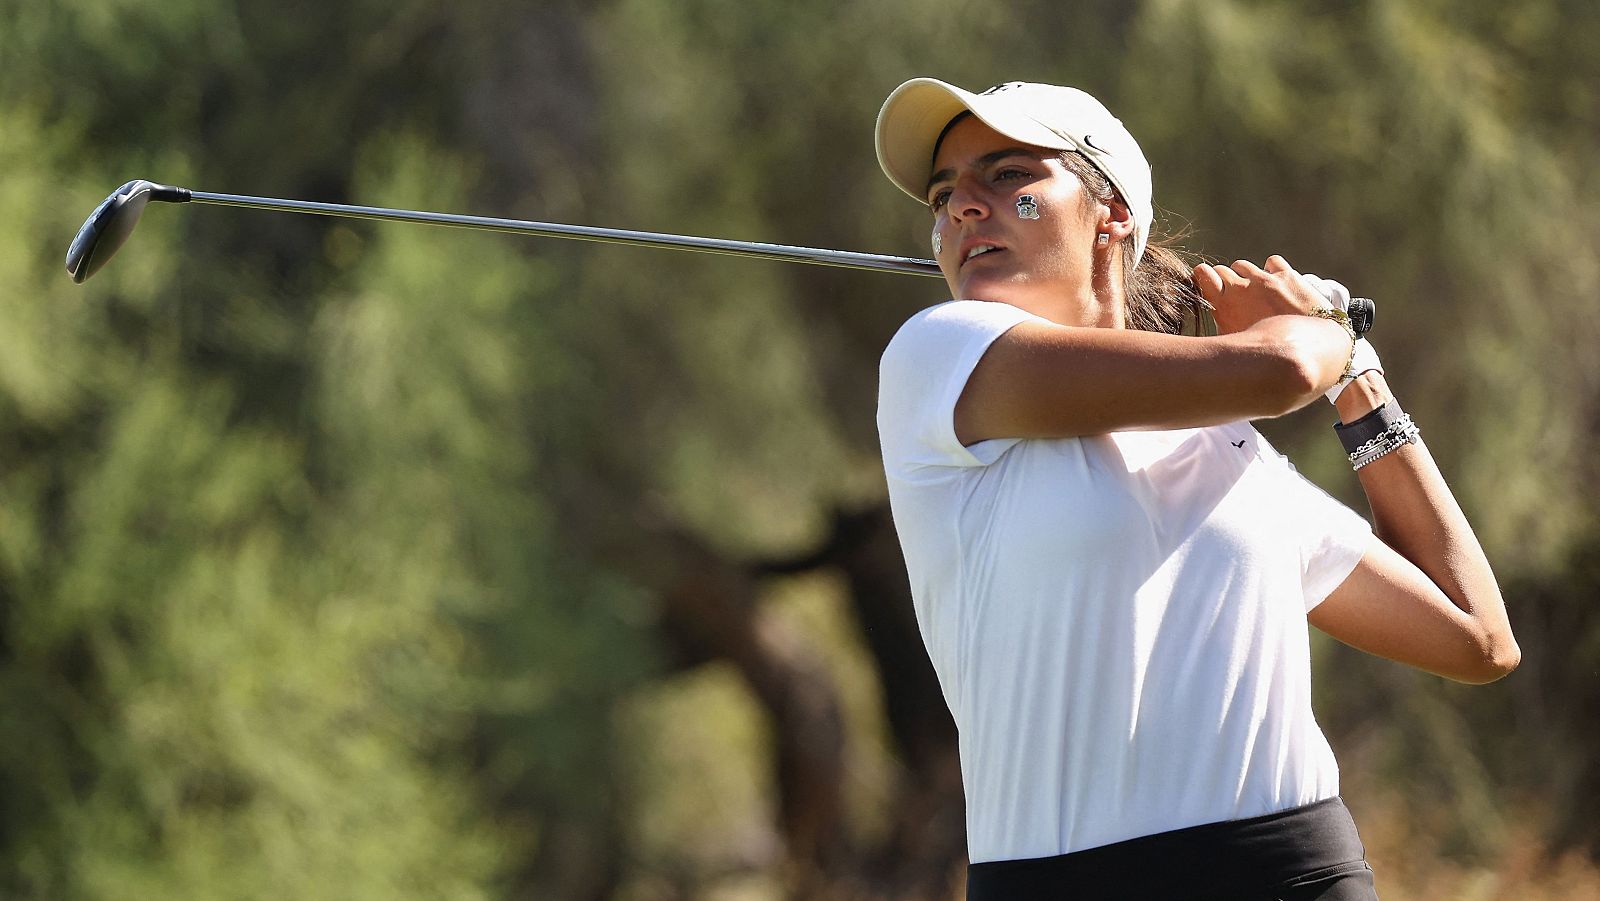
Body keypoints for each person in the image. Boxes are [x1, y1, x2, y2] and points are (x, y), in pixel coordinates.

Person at [872, 78, 1520, 900]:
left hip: (1293, 874)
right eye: (942, 195)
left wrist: (1359, 379)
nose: (961, 208)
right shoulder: (935, 357)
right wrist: (1322, 335)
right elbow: (1282, 367)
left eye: (1007, 177)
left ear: (1110, 215)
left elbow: (1477, 638)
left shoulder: (1237, 462)